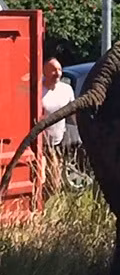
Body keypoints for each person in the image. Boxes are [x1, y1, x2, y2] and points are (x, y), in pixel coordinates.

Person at [41, 57, 75, 193]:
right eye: (53, 70)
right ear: (44, 72)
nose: (58, 73)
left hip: (58, 143)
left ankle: (44, 208)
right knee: (42, 179)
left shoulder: (66, 90)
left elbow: (73, 114)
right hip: (39, 145)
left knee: (54, 184)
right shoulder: (38, 91)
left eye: (59, 70)